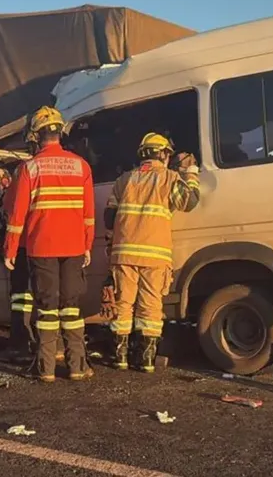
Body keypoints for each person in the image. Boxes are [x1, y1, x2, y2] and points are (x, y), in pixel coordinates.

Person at [3, 106, 95, 382]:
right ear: (60, 132)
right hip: (74, 246)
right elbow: (88, 214)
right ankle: (78, 367)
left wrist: (10, 249)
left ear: (36, 134)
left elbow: (16, 214)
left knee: (47, 307)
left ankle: (46, 369)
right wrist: (87, 245)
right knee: (71, 307)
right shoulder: (81, 165)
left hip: (41, 247)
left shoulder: (29, 167)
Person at [102, 132, 200, 372]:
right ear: (164, 154)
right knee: (151, 306)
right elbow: (189, 201)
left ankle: (120, 357)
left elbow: (109, 218)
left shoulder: (124, 179)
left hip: (124, 253)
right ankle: (146, 360)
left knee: (123, 304)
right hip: (155, 255)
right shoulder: (169, 178)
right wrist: (191, 174)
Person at [0, 166, 37, 363]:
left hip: (20, 249)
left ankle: (19, 347)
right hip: (40, 247)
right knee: (45, 297)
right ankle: (50, 347)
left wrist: (3, 251)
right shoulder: (33, 185)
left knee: (19, 297)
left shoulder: (1, 198)